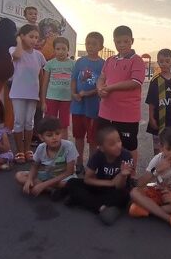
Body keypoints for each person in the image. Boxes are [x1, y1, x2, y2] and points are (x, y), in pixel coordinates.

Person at [129, 127, 171, 232]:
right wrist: (156, 170)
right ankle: (170, 218)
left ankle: (149, 210)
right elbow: (139, 183)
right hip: (160, 193)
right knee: (134, 192)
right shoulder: (157, 159)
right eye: (169, 149)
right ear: (161, 148)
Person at [63, 125, 134, 226]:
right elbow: (87, 179)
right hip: (101, 185)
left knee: (124, 195)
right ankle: (101, 208)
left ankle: (80, 200)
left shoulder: (126, 155)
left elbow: (119, 186)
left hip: (116, 190)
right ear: (102, 148)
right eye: (112, 144)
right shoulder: (97, 155)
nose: (118, 145)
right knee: (72, 182)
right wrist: (109, 183)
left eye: (119, 141)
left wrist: (122, 175)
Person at [97, 25, 144, 166]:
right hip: (105, 112)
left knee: (129, 146)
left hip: (127, 114)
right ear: (114, 42)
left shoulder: (137, 60)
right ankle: (106, 170)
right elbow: (101, 77)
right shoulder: (110, 60)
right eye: (119, 42)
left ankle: (132, 174)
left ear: (132, 41)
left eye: (126, 41)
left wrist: (110, 88)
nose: (122, 45)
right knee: (104, 143)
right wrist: (100, 88)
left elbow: (135, 82)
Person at [9, 24, 46, 163]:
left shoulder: (39, 55)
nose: (34, 40)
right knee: (18, 122)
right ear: (22, 36)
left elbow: (42, 77)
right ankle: (19, 151)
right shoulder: (14, 49)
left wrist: (42, 99)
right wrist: (18, 41)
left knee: (29, 123)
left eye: (36, 37)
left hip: (32, 94)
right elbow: (17, 55)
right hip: (18, 93)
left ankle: (27, 149)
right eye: (31, 36)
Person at [15, 117, 78, 197]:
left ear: (61, 133)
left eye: (57, 133)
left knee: (70, 183)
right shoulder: (41, 148)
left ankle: (43, 187)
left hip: (64, 177)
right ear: (41, 137)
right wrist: (29, 179)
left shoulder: (68, 146)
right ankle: (51, 190)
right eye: (49, 135)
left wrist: (43, 185)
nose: (54, 137)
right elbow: (35, 166)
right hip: (49, 175)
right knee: (19, 175)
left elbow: (69, 172)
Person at [71, 31, 105, 174]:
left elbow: (102, 86)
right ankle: (79, 162)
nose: (90, 47)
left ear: (101, 47)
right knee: (78, 136)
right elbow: (73, 80)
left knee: (93, 140)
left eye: (94, 44)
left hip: (93, 109)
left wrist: (88, 93)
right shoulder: (79, 62)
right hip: (78, 107)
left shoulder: (103, 64)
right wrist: (73, 93)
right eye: (88, 44)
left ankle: (91, 165)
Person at [146, 49, 171, 156]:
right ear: (158, 62)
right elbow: (151, 102)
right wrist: (151, 118)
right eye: (161, 61)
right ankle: (157, 167)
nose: (164, 64)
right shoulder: (155, 81)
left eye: (167, 61)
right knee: (158, 148)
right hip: (158, 121)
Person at [40, 37, 74, 139]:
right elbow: (45, 84)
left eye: (64, 49)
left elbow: (74, 82)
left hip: (66, 99)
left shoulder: (73, 64)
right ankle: (49, 147)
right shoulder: (50, 64)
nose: (61, 52)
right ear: (54, 50)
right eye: (58, 49)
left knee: (64, 125)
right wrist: (43, 102)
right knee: (49, 124)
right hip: (51, 98)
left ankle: (64, 148)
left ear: (68, 50)